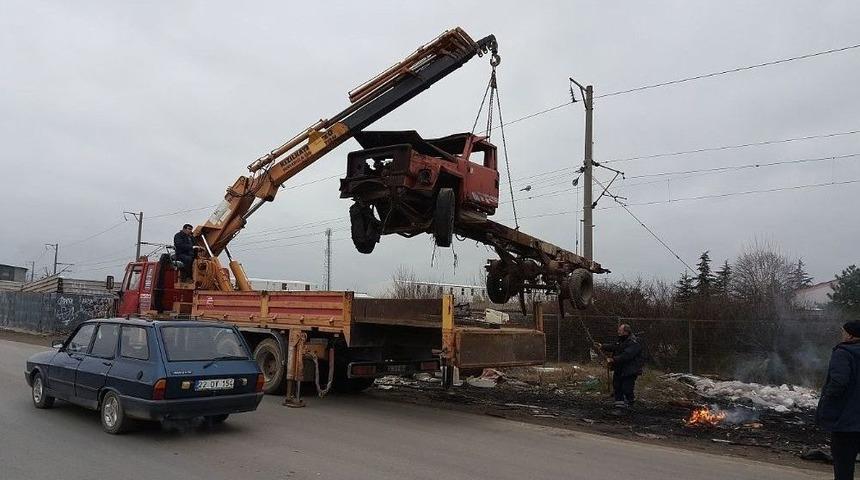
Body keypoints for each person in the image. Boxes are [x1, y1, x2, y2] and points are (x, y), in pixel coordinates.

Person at [817, 320, 860, 480]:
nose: (841, 334)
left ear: (850, 335)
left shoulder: (843, 353)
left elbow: (838, 383)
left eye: (843, 332)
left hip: (846, 423)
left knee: (844, 467)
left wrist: (826, 407)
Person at [595, 324, 644, 408]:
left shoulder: (634, 342)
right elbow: (615, 347)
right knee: (617, 386)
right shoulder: (622, 340)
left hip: (630, 369)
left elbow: (627, 355)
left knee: (627, 388)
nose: (618, 332)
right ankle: (619, 405)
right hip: (619, 368)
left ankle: (630, 403)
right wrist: (602, 346)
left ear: (626, 332)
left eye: (620, 330)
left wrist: (613, 359)